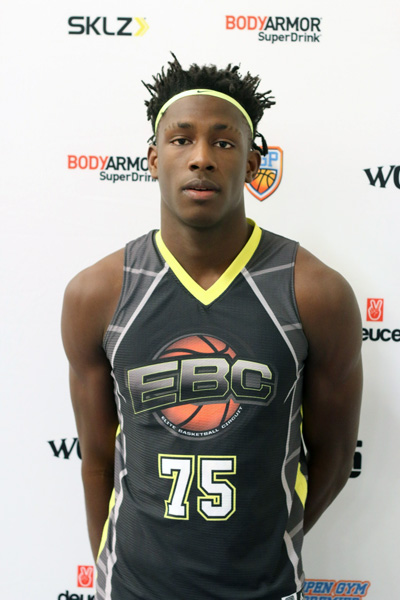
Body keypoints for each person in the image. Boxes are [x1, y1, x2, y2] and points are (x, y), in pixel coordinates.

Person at [61, 55, 363, 600]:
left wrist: (270, 546)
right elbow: (97, 459)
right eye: (181, 140)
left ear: (252, 163)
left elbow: (336, 457)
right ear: (154, 159)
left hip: (265, 589)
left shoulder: (315, 293)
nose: (201, 157)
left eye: (224, 142)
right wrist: (115, 568)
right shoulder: (97, 294)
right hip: (132, 588)